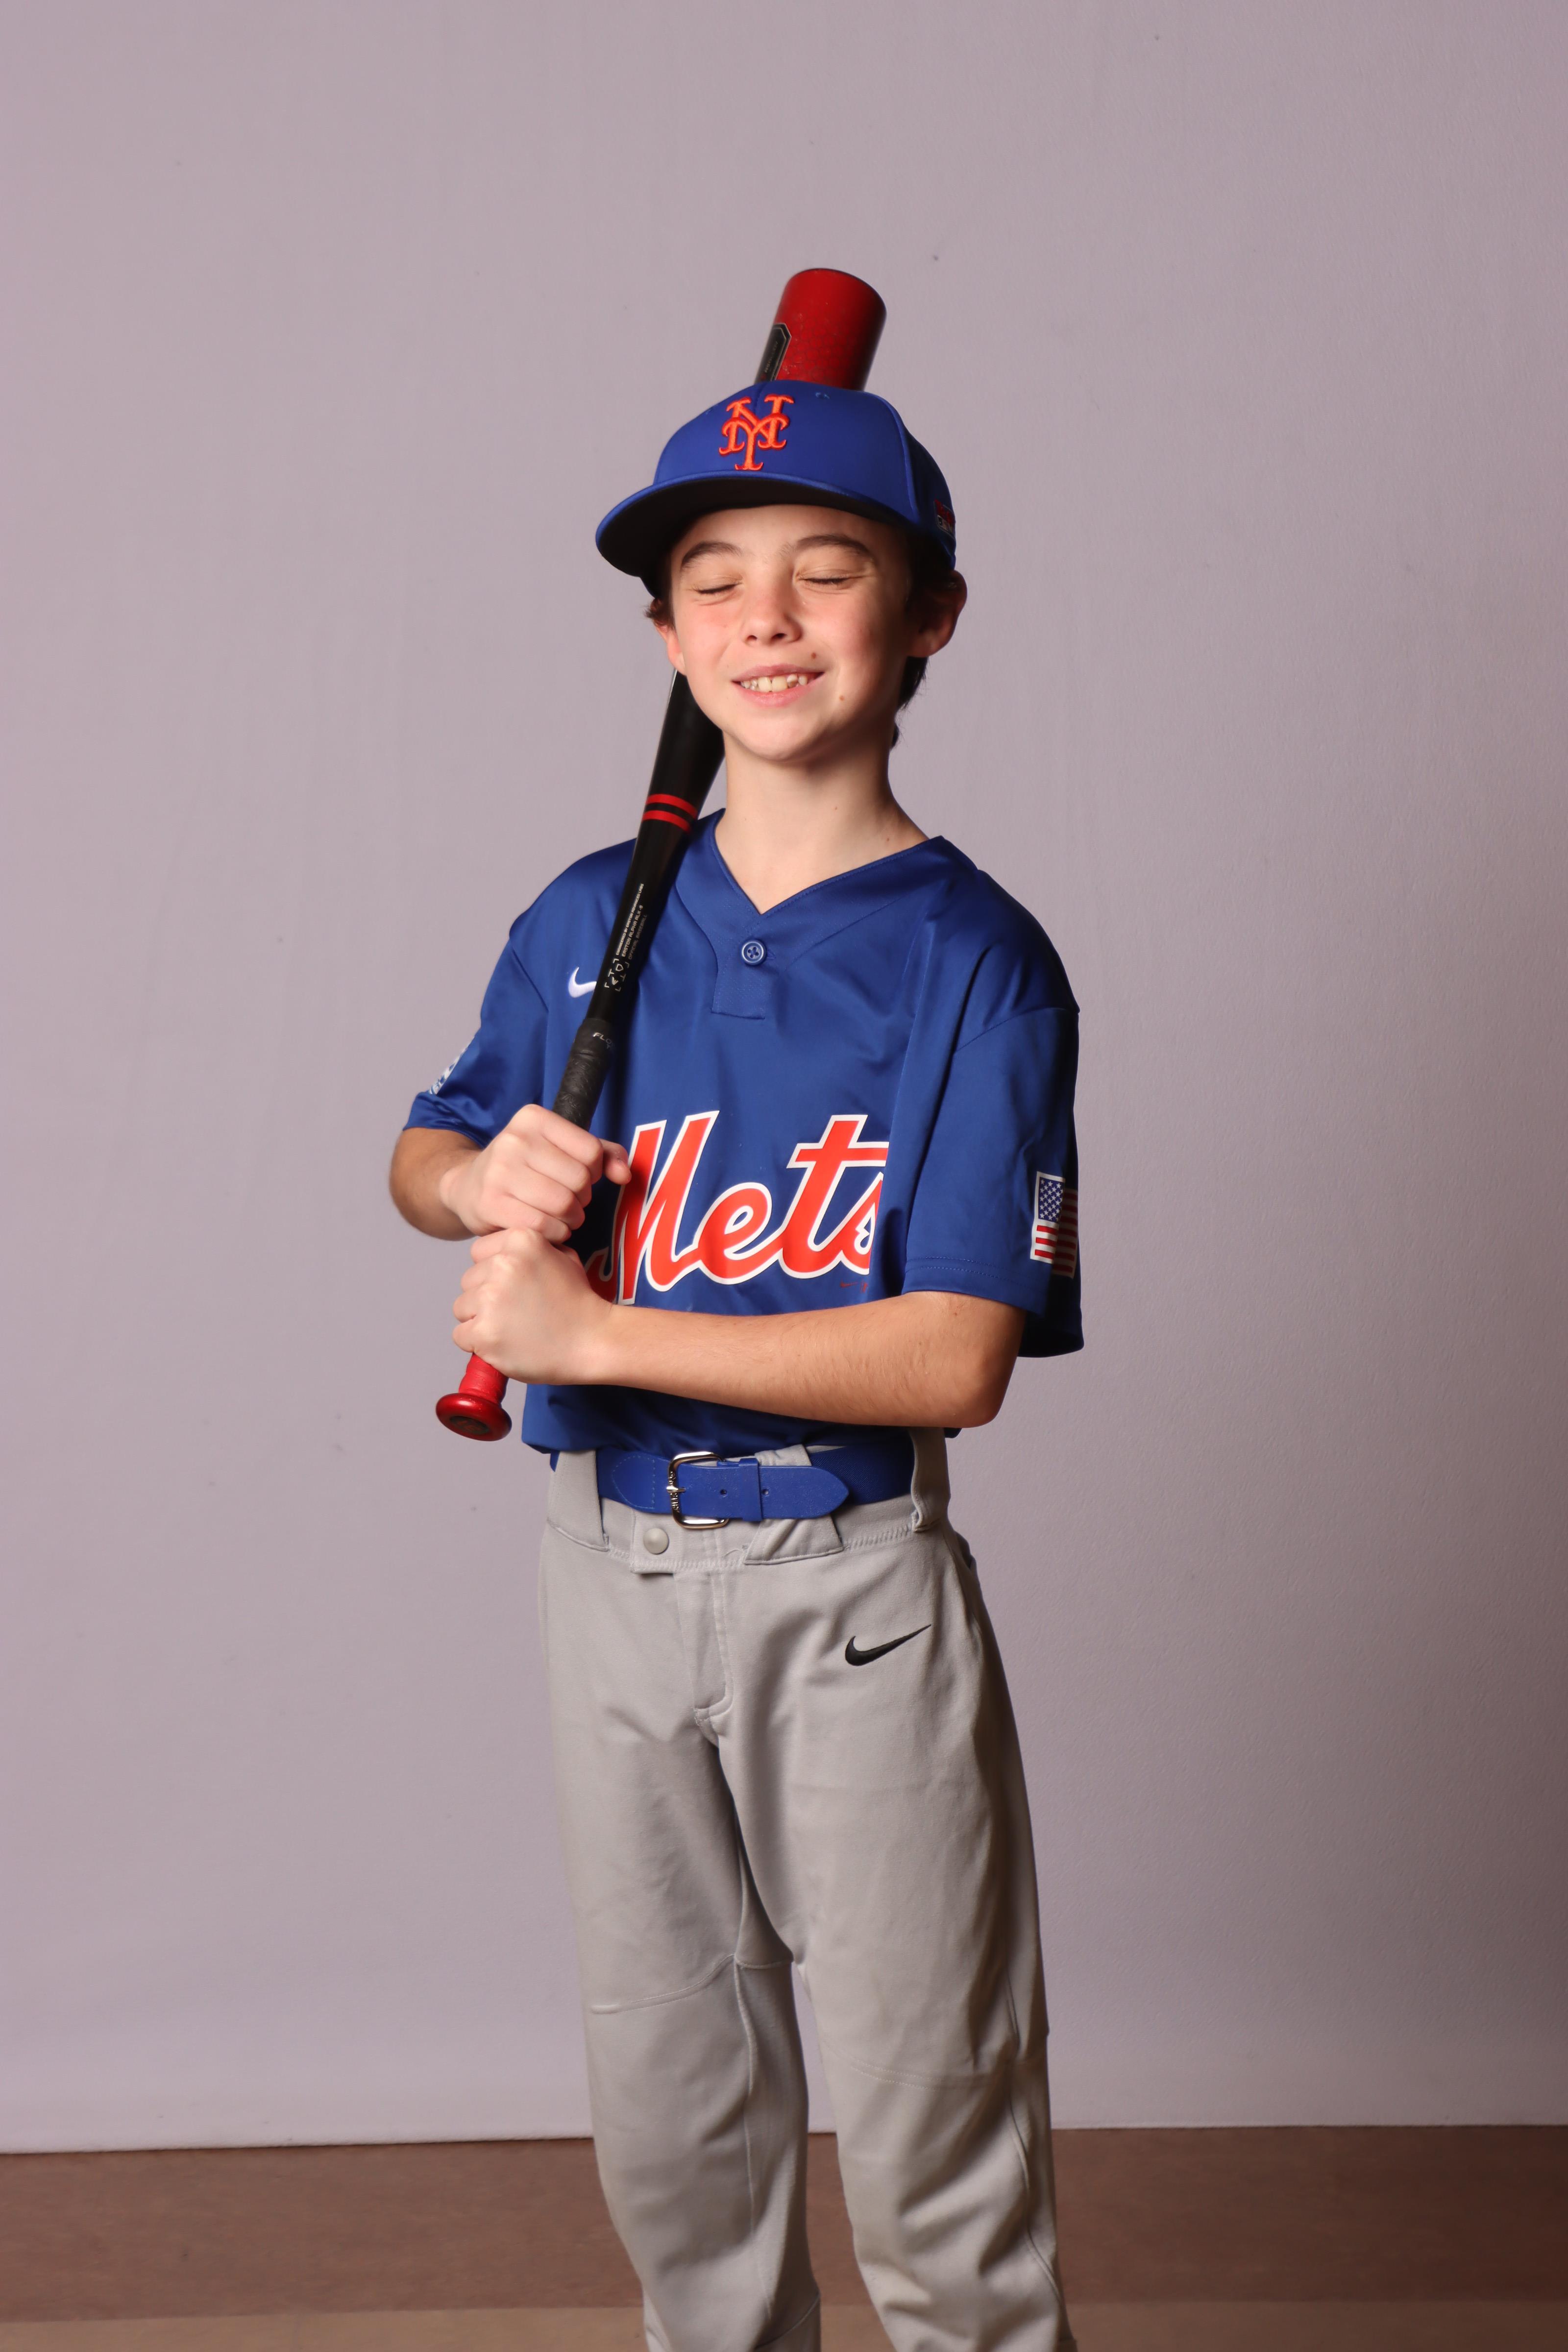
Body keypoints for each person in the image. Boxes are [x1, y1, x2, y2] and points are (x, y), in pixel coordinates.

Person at [390, 376, 1081, 2352]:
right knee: (677, 2135)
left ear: (927, 615)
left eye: (825, 570)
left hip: (848, 1587)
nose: (764, 617)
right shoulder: (587, 920)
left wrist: (592, 1330)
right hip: (605, 1570)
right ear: (666, 634)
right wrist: (477, 1185)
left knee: (935, 2138)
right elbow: (429, 1149)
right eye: (714, 578)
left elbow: (956, 1355)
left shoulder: (977, 958)